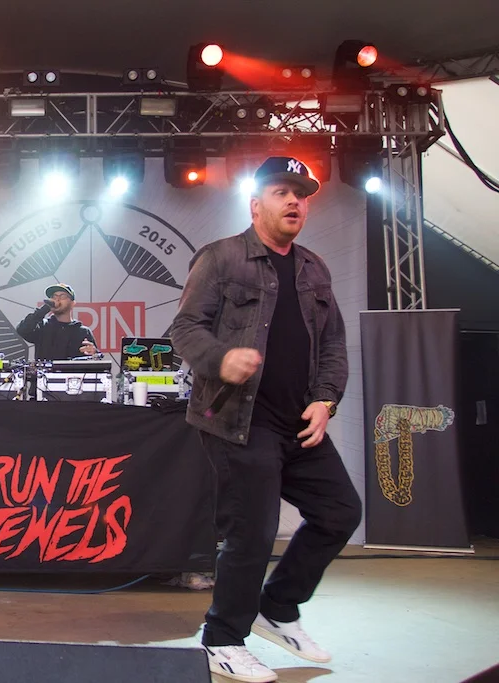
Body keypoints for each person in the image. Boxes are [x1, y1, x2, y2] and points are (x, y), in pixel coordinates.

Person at [169, 156, 362, 683]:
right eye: (282, 192)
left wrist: (325, 400)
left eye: (301, 194)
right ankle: (222, 640)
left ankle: (276, 606)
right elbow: (185, 329)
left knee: (340, 512)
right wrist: (221, 358)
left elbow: (333, 344)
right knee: (252, 533)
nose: (294, 201)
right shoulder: (222, 258)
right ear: (256, 205)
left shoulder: (314, 268)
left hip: (298, 421)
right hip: (238, 418)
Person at [16, 283, 97, 360]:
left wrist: (94, 353)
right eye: (54, 296)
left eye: (62, 296)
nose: (57, 299)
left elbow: (95, 358)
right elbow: (22, 330)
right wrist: (44, 309)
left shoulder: (83, 331)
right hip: (46, 370)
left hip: (72, 370)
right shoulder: (42, 326)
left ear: (72, 303)